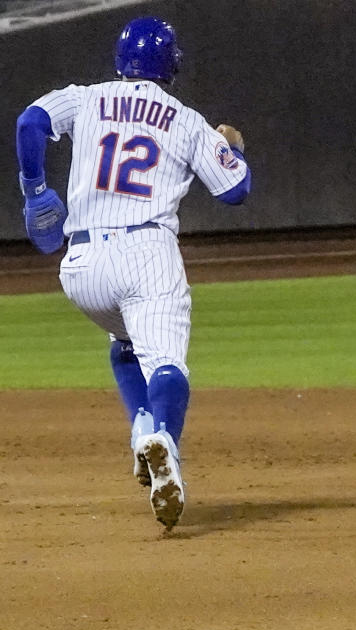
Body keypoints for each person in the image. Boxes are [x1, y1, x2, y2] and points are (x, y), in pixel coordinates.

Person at [15, 16, 252, 529]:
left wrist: (35, 190)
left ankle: (141, 423)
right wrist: (229, 145)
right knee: (167, 362)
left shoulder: (87, 97)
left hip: (80, 267)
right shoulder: (186, 121)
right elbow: (235, 191)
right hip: (145, 252)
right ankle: (163, 440)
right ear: (173, 67)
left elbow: (29, 122)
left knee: (124, 339)